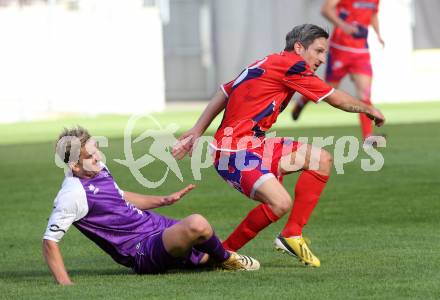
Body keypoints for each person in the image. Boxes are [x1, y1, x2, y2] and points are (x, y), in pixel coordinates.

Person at [172, 24, 385, 267]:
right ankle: (220, 256)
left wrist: (198, 129)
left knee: (321, 160)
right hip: (233, 152)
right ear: (298, 47)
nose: (322, 59)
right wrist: (368, 108)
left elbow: (224, 90)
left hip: (256, 144)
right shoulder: (292, 65)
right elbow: (335, 98)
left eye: (324, 52)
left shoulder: (269, 61)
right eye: (318, 51)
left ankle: (291, 234)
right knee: (280, 203)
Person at [43, 127, 259, 285]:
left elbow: (120, 196)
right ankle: (227, 261)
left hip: (155, 225)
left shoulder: (98, 167)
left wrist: (163, 200)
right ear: (74, 165)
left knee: (209, 243)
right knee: (198, 224)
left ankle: (207, 259)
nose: (98, 157)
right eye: (90, 156)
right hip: (141, 250)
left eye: (96, 150)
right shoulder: (72, 194)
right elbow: (50, 242)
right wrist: (66, 285)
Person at [291, 0, 384, 142]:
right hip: (340, 50)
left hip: (361, 52)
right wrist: (343, 25)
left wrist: (378, 34)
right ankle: (302, 102)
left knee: (365, 94)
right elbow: (326, 9)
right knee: (328, 89)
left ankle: (368, 137)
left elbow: (372, 15)